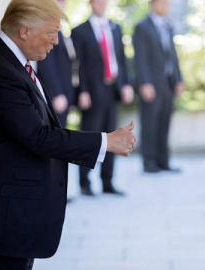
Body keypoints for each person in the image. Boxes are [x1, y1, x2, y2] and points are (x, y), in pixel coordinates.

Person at [0, 0, 136, 269]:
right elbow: (38, 136)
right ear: (25, 30)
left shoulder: (10, 60)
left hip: (9, 222)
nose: (55, 42)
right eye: (51, 33)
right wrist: (105, 141)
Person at [71, 0, 134, 196]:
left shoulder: (115, 27)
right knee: (90, 137)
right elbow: (77, 65)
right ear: (91, 3)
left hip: (112, 90)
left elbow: (122, 60)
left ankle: (107, 182)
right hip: (91, 92)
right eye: (97, 1)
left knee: (112, 135)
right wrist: (82, 91)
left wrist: (126, 84)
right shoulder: (79, 31)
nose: (101, 4)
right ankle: (85, 182)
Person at [133, 0, 184, 173]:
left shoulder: (168, 25)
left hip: (167, 83)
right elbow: (140, 58)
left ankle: (164, 161)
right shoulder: (142, 27)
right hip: (151, 84)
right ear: (152, 4)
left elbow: (173, 56)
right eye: (163, 3)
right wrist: (145, 83)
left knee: (164, 123)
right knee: (149, 124)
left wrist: (178, 79)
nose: (166, 6)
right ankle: (149, 163)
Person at [37, 0, 78, 127]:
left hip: (65, 94)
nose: (63, 3)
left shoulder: (59, 29)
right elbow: (46, 64)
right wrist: (56, 94)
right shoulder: (46, 28)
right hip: (56, 97)